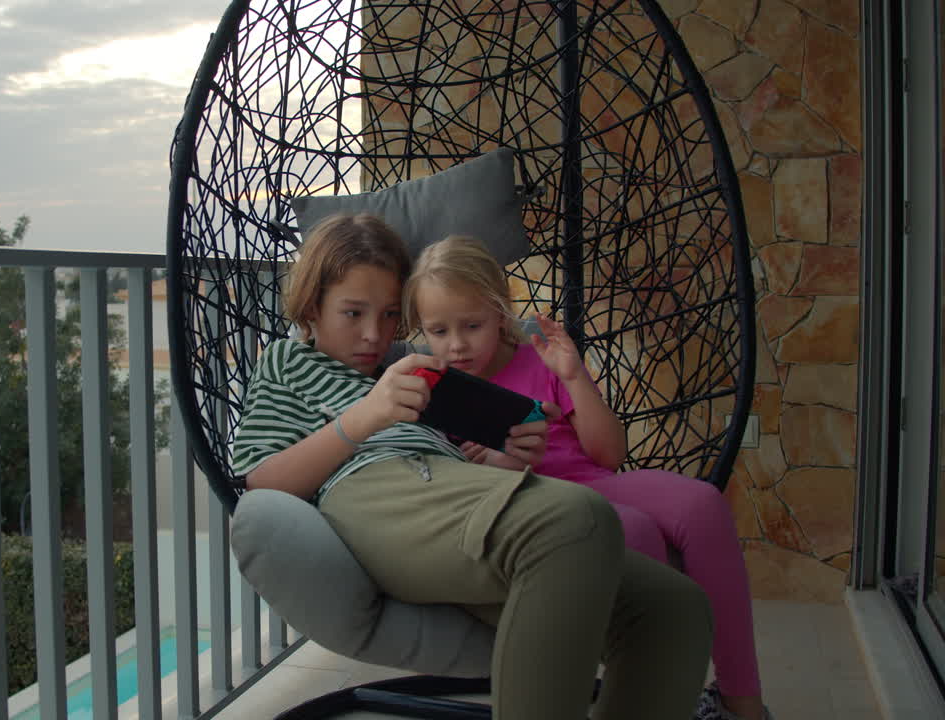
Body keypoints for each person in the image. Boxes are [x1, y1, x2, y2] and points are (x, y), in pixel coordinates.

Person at [231, 212, 711, 720]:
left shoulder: (409, 376)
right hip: (372, 491)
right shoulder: (289, 361)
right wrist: (362, 420)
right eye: (353, 313)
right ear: (312, 304)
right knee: (578, 517)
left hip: (448, 492)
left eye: (390, 315)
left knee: (674, 610)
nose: (374, 334)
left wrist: (507, 460)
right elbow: (261, 479)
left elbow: (455, 484)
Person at [403, 235, 773, 720]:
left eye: (472, 325)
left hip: (587, 478)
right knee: (630, 527)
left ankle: (739, 703)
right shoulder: (433, 392)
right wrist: (496, 465)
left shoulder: (539, 360)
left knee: (703, 504)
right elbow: (445, 487)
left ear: (500, 312)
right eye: (438, 330)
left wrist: (575, 375)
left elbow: (609, 455)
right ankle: (655, 694)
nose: (456, 344)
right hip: (531, 504)